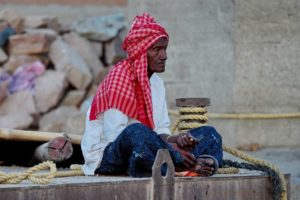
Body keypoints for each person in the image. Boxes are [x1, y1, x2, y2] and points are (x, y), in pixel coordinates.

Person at [81, 13, 223, 177]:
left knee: (209, 134)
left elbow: (160, 129)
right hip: (108, 159)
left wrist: (176, 140)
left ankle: (204, 163)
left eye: (164, 49)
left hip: (149, 150)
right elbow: (118, 137)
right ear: (141, 53)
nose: (164, 56)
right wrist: (172, 150)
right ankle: (179, 164)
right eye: (157, 50)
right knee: (136, 131)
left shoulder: (157, 84)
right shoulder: (118, 80)